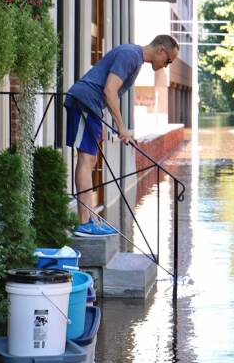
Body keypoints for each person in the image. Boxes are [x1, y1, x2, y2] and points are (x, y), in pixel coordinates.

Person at [65, 34, 179, 237]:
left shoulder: (134, 58)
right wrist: (121, 127)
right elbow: (109, 90)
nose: (166, 65)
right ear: (160, 49)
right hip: (84, 101)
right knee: (85, 159)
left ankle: (89, 218)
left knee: (90, 160)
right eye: (168, 60)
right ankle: (84, 223)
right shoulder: (131, 56)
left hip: (91, 105)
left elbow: (108, 93)